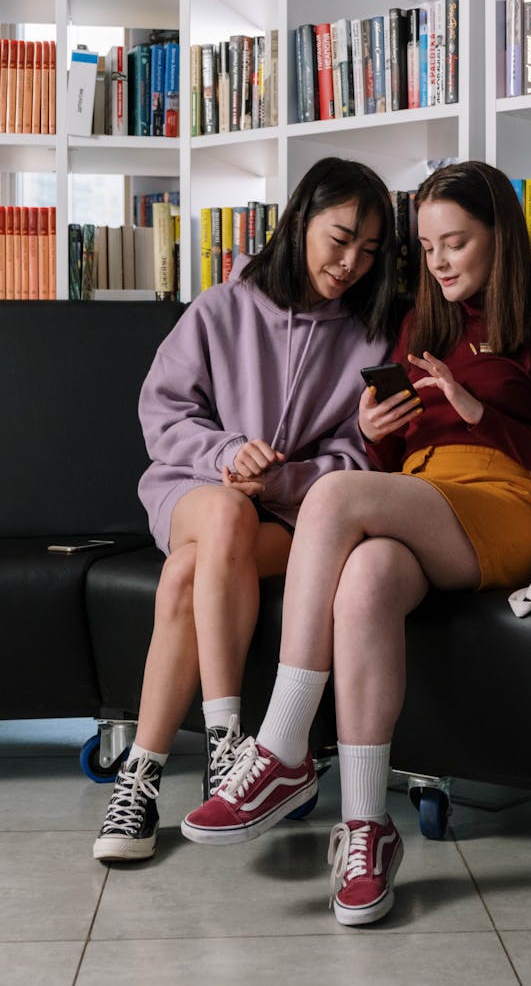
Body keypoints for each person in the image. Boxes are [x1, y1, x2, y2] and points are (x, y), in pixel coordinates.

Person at [180, 160, 531, 925]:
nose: (438, 263)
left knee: (332, 494)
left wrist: (482, 415)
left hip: (506, 504)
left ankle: (281, 748)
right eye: (428, 247)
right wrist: (375, 440)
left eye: (457, 244)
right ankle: (368, 826)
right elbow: (389, 468)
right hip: (420, 498)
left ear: (500, 239)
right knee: (366, 576)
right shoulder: (418, 323)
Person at [93, 156, 398, 863]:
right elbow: (162, 412)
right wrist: (227, 453)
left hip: (295, 517)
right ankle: (229, 738)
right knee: (223, 519)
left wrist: (287, 478)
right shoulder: (220, 308)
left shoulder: (370, 334)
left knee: (188, 573)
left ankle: (140, 772)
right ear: (300, 224)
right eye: (340, 237)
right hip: (191, 490)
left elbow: (362, 458)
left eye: (369, 251)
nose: (351, 262)